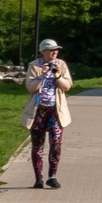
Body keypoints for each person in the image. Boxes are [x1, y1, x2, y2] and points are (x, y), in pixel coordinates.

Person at [23, 38, 73, 188]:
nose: (54, 52)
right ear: (43, 51)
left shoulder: (61, 65)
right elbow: (30, 88)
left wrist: (57, 75)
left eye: (56, 50)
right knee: (37, 144)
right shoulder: (34, 66)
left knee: (56, 143)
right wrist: (42, 76)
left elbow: (67, 86)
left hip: (55, 111)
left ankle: (52, 176)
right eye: (51, 50)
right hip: (39, 110)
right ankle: (38, 178)